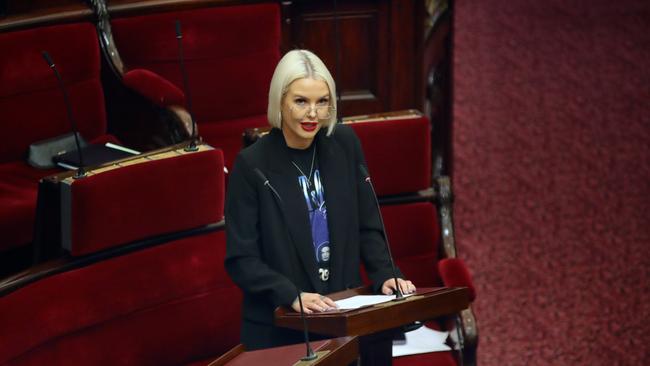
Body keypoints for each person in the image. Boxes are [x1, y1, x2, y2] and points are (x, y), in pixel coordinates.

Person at [224, 49, 415, 350]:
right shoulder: (252, 165)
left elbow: (367, 225)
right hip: (283, 324)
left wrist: (385, 273)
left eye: (322, 101)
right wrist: (290, 294)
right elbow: (241, 259)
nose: (313, 113)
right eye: (301, 101)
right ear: (280, 102)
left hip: (344, 314)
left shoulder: (344, 144)